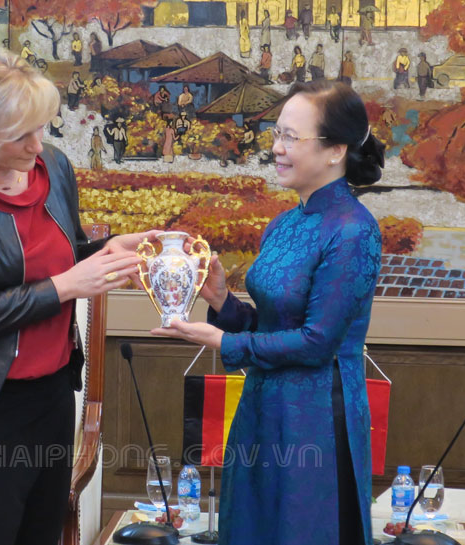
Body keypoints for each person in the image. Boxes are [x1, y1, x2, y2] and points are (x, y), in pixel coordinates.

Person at [0, 49, 155, 545]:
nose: (37, 145)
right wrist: (69, 286)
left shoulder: (53, 167)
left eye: (42, 128)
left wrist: (107, 249)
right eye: (21, 134)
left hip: (52, 395)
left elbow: (60, 255)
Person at [152, 80, 385, 545]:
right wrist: (223, 302)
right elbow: (273, 326)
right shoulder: (283, 224)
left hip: (317, 416)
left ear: (336, 150)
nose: (276, 148)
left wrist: (225, 342)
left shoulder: (355, 230)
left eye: (291, 137)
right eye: (277, 134)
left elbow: (317, 343)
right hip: (262, 405)